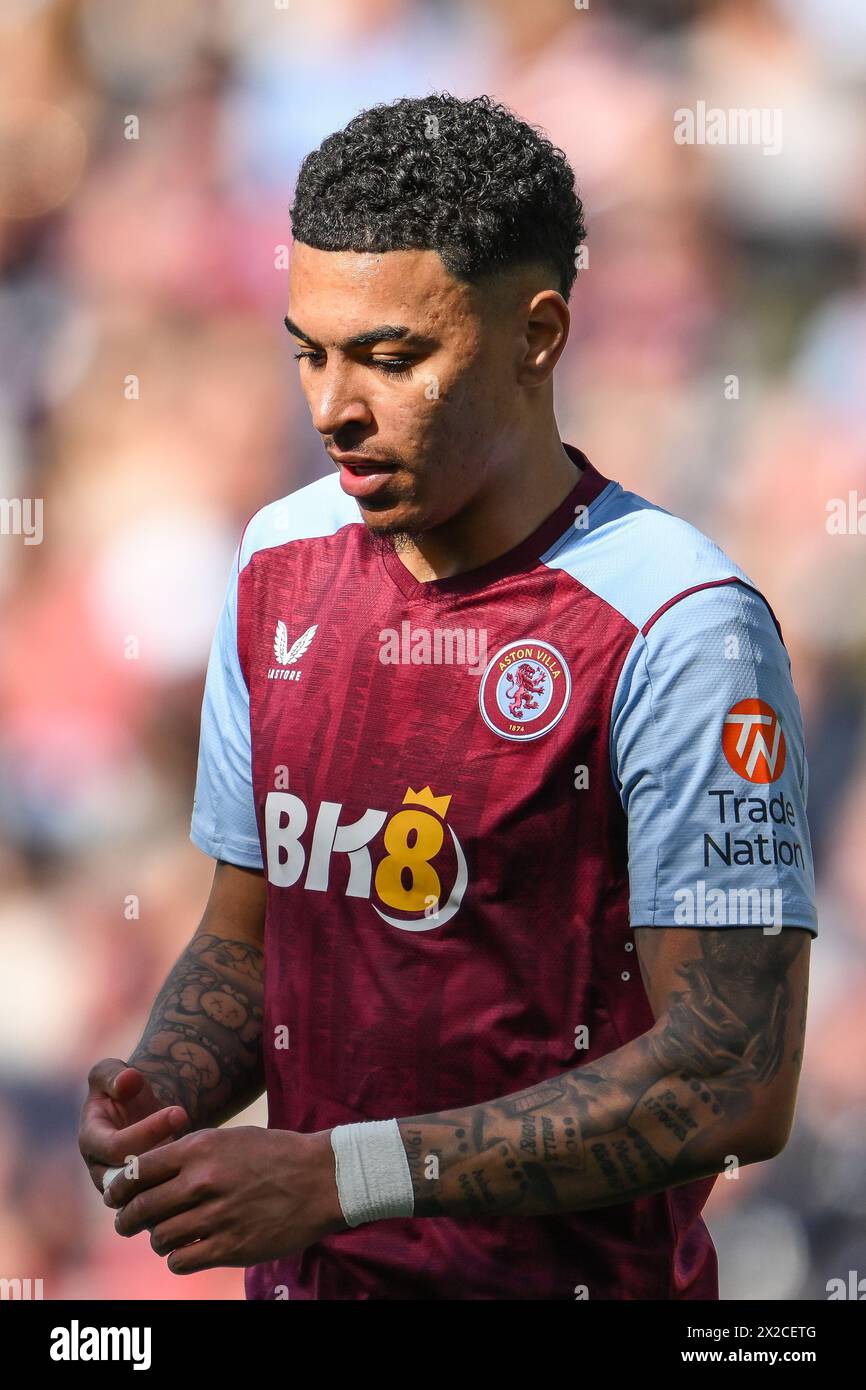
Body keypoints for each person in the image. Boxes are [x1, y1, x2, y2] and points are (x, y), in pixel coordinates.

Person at [80, 92, 816, 1300]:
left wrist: (340, 1176)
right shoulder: (276, 562)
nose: (331, 409)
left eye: (390, 357)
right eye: (308, 352)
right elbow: (251, 940)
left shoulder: (680, 627)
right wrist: (160, 1091)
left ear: (537, 335)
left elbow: (731, 1079)